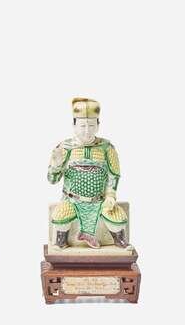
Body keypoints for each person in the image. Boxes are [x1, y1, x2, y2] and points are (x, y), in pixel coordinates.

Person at [48, 98, 127, 249]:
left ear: (98, 125)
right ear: (74, 125)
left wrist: (111, 195)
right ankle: (61, 243)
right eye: (82, 126)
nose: (87, 130)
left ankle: (119, 243)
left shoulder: (106, 147)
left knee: (118, 219)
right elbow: (52, 180)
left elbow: (114, 174)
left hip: (100, 200)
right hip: (72, 200)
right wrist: (56, 165)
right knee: (60, 216)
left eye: (91, 125)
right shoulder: (65, 148)